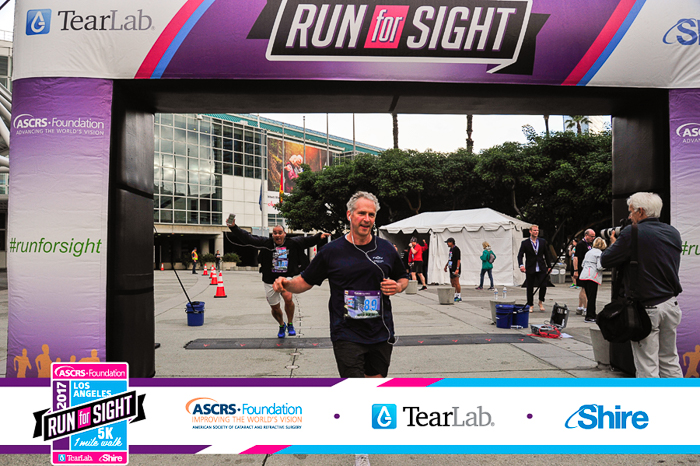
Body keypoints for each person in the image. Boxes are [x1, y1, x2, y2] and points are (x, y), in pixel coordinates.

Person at [272, 191, 408, 379]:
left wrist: (398, 286)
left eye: (371, 214)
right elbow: (304, 281)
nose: (367, 219)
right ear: (349, 215)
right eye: (361, 213)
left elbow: (403, 277)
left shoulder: (386, 248)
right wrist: (287, 284)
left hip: (380, 331)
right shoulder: (331, 251)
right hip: (346, 333)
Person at [601, 192, 683, 378]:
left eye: (631, 212)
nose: (630, 217)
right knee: (670, 359)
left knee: (647, 366)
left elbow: (606, 260)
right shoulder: (673, 232)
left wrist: (615, 244)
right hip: (670, 304)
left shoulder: (633, 232)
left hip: (647, 308)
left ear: (641, 211)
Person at [226, 217, 329, 338]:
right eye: (275, 233)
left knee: (288, 298)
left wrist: (319, 236)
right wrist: (233, 227)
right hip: (269, 279)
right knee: (275, 308)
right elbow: (249, 238)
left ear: (284, 234)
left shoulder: (292, 242)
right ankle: (281, 324)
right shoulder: (266, 243)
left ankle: (290, 324)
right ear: (272, 235)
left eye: (280, 233)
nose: (277, 235)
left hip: (286, 277)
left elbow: (306, 240)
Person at [517, 225, 552, 312]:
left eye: (537, 230)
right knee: (530, 287)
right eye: (534, 230)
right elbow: (520, 255)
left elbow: (546, 254)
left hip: (541, 267)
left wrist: (549, 266)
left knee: (543, 285)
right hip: (530, 267)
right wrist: (521, 265)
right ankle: (530, 304)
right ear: (530, 231)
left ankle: (540, 301)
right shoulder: (525, 243)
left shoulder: (542, 241)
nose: (536, 232)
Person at [578, 237, 607, 323]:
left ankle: (591, 314)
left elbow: (583, 264)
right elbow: (599, 266)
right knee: (592, 297)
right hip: (593, 276)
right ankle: (590, 316)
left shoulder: (589, 252)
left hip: (584, 275)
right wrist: (606, 266)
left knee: (589, 296)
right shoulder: (600, 254)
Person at [573, 229, 595, 314]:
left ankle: (580, 307)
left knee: (584, 288)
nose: (593, 238)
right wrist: (576, 270)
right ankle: (586, 308)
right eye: (591, 236)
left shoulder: (589, 244)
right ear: (586, 235)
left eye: (594, 236)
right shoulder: (580, 244)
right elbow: (576, 258)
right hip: (581, 269)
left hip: (587, 268)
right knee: (584, 289)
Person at [443, 237, 462, 302]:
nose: (447, 244)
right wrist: (446, 265)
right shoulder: (451, 249)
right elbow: (450, 258)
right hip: (451, 267)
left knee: (456, 281)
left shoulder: (456, 249)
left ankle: (459, 296)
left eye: (448, 242)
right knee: (452, 282)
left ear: (451, 242)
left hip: (455, 267)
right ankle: (455, 295)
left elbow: (458, 260)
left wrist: (457, 269)